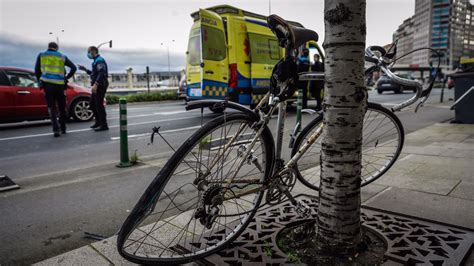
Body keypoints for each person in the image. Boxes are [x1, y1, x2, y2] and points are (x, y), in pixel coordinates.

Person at [35, 42, 77, 137]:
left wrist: (39, 81)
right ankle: (63, 128)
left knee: (51, 108)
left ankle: (55, 130)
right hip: (59, 86)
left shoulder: (41, 55)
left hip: (47, 85)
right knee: (62, 107)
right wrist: (66, 77)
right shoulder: (62, 56)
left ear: (48, 47)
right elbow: (73, 68)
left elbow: (37, 71)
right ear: (56, 48)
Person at [78, 46, 109, 131]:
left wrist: (96, 84)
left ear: (93, 51)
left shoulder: (99, 60)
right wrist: (85, 69)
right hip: (97, 84)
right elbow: (94, 73)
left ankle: (104, 125)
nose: (88, 54)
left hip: (100, 84)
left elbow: (101, 72)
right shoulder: (95, 61)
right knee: (92, 103)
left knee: (99, 105)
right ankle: (98, 122)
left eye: (88, 51)